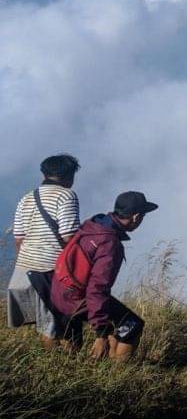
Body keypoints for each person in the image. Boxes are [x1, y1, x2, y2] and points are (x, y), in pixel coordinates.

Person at [49, 191, 157, 361]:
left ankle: (105, 361)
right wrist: (100, 333)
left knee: (117, 320)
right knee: (133, 324)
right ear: (135, 217)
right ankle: (119, 372)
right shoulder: (109, 243)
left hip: (59, 292)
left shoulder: (93, 225)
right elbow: (97, 288)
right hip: (77, 299)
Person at [6, 154, 81, 348]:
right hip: (52, 270)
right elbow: (68, 235)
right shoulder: (66, 195)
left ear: (44, 174)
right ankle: (66, 369)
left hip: (26, 269)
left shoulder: (26, 198)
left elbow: (19, 239)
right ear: (70, 176)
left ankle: (54, 369)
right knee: (66, 324)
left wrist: (26, 263)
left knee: (47, 323)